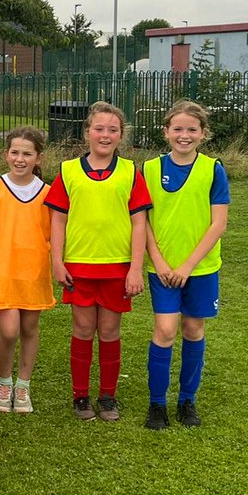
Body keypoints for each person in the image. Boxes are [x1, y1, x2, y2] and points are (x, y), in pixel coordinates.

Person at [45, 101, 152, 422]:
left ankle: (107, 396)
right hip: (79, 265)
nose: (105, 135)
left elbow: (139, 224)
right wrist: (57, 262)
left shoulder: (131, 172)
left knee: (109, 330)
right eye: (99, 128)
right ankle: (81, 396)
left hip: (117, 266)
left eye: (113, 130)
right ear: (87, 132)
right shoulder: (68, 171)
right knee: (82, 327)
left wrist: (135, 268)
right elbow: (58, 221)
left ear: (121, 135)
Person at [143, 100, 230, 430]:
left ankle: (187, 400)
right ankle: (157, 404)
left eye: (191, 129)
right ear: (166, 132)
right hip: (163, 269)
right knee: (165, 330)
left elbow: (218, 223)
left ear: (203, 134)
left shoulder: (213, 170)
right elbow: (143, 222)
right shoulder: (149, 169)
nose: (184, 135)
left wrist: (188, 266)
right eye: (177, 129)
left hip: (201, 269)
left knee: (193, 329)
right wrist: (161, 261)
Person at [0, 127, 55, 414]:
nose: (20, 158)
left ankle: (23, 386)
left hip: (34, 271)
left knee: (29, 328)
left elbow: (51, 233)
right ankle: (4, 382)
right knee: (9, 331)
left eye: (27, 153)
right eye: (15, 152)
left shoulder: (48, 193)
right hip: (4, 270)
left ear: (38, 158)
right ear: (5, 154)